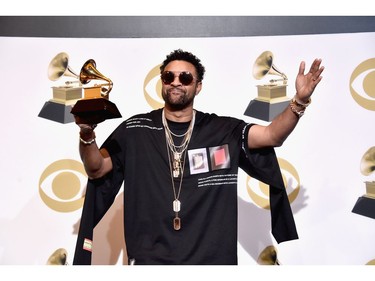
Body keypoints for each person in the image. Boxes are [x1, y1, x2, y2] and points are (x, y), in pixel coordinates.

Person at [73, 49, 324, 265]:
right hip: (150, 262)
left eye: (185, 77)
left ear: (198, 85)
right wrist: (87, 133)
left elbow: (271, 136)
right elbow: (96, 169)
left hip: (213, 264)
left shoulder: (223, 130)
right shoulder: (135, 129)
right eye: (169, 76)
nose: (176, 82)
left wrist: (299, 101)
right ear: (162, 82)